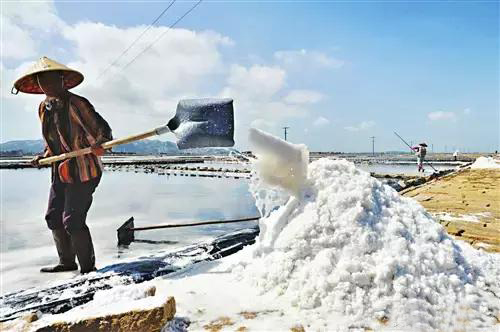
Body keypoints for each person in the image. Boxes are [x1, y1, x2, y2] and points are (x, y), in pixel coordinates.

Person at [12, 57, 112, 273]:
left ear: (62, 81)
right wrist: (43, 156)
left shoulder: (77, 103)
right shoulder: (44, 108)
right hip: (61, 170)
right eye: (42, 83)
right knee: (53, 216)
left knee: (73, 220)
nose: (47, 86)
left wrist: (101, 144)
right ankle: (67, 262)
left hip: (84, 171)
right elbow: (54, 141)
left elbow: (102, 130)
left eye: (51, 81)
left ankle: (88, 269)